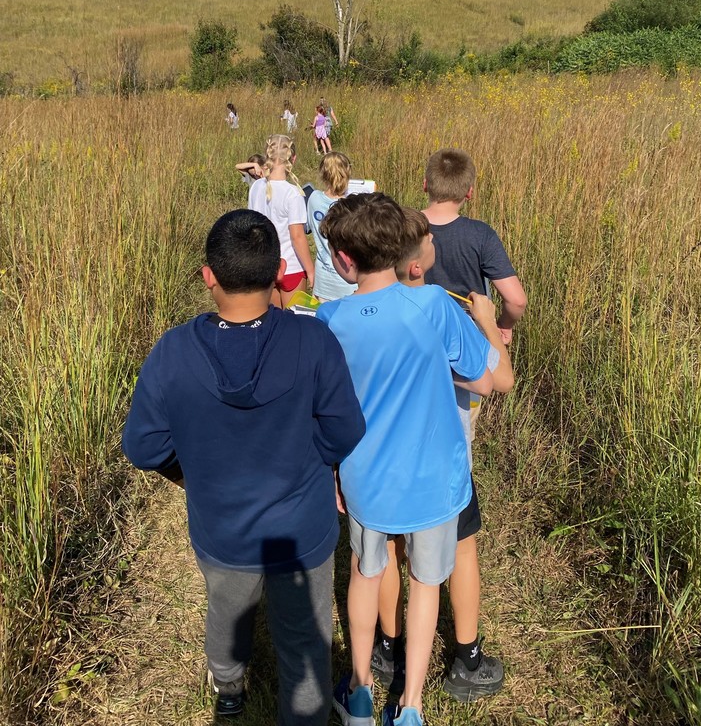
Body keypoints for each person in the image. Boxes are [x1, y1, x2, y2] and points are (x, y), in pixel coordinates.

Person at [122, 210, 366, 723]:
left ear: (208, 275)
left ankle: (228, 685)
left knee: (228, 611)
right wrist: (310, 461)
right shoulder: (313, 340)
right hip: (302, 529)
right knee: (304, 639)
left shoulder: (173, 351)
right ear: (281, 271)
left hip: (221, 527)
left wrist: (190, 473)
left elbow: (144, 447)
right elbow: (345, 429)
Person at [315, 193, 495, 726]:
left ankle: (362, 692)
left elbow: (322, 407)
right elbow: (485, 378)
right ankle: (411, 705)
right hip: (436, 480)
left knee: (365, 574)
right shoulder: (436, 306)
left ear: (343, 260)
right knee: (425, 584)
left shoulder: (329, 319)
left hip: (366, 478)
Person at [372, 208, 514, 703]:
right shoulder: (440, 309)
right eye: (431, 244)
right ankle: (466, 658)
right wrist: (489, 323)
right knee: (462, 549)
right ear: (416, 264)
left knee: (390, 548)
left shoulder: (359, 311)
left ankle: (387, 648)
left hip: (381, 465)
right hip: (438, 463)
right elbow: (500, 381)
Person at [423, 147, 526, 436]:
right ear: (469, 192)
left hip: (414, 328)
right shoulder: (480, 235)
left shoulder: (405, 227)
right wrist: (502, 326)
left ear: (426, 184)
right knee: (460, 419)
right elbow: (516, 299)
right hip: (466, 338)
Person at [248, 134, 314, 307]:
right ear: (293, 158)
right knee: (294, 324)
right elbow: (297, 236)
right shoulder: (293, 194)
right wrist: (311, 270)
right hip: (291, 267)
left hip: (265, 265)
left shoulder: (256, 187)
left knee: (273, 324)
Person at [307, 151, 358, 302]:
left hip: (323, 278)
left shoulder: (314, 198)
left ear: (323, 174)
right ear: (347, 173)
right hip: (349, 278)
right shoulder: (353, 206)